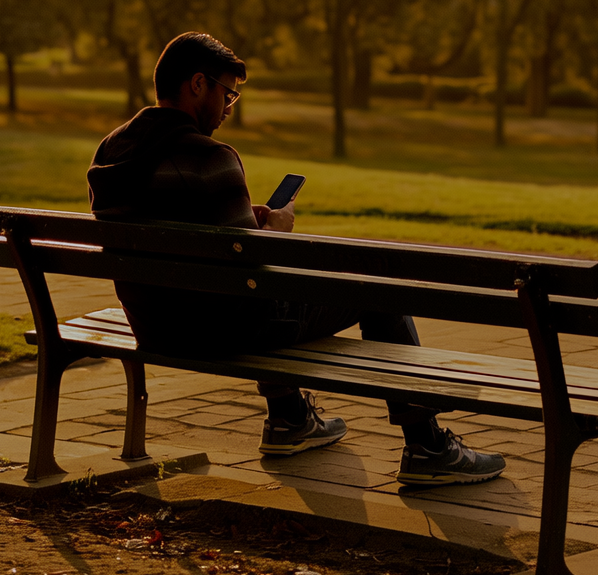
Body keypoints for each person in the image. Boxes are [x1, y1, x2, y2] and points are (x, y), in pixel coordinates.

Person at [87, 31, 506, 488]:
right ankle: (428, 445)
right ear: (197, 84)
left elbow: (199, 229)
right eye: (227, 93)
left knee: (270, 289)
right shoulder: (210, 157)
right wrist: (276, 233)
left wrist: (250, 227)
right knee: (375, 288)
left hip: (155, 324)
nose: (229, 107)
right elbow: (250, 265)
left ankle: (291, 418)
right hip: (220, 330)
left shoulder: (113, 150)